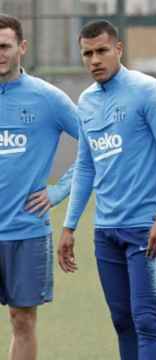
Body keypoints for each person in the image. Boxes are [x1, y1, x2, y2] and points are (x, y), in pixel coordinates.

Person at [57, 20, 156, 360]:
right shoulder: (85, 101)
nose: (95, 60)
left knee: (147, 321)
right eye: (87, 53)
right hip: (106, 232)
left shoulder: (147, 90)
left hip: (146, 227)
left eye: (101, 51)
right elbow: (86, 166)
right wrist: (69, 226)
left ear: (118, 49)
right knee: (122, 322)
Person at [0, 13, 79, 360]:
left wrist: (59, 190)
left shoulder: (47, 98)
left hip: (27, 231)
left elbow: (97, 145)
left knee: (22, 320)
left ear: (22, 48)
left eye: (4, 46)